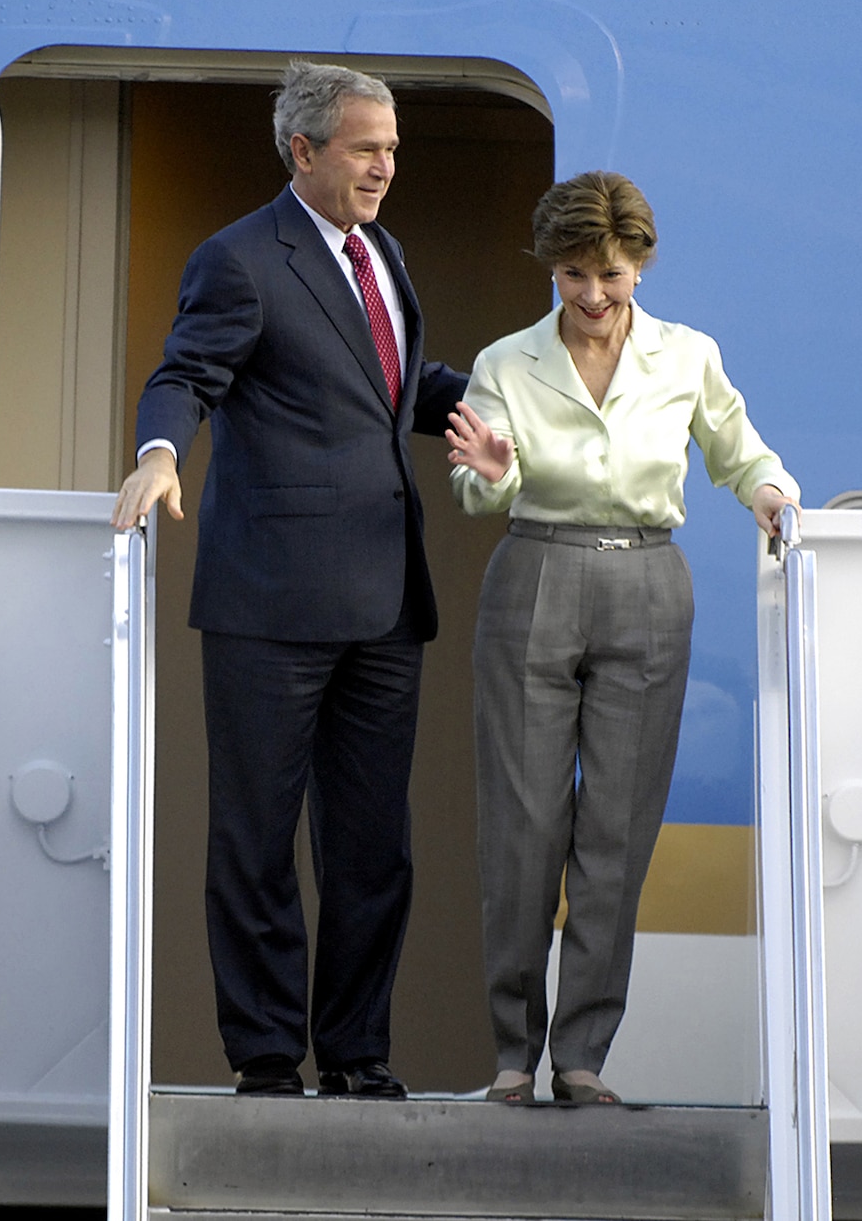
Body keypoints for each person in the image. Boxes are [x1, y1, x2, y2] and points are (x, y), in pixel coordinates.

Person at [111, 61, 466, 1098]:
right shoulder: (238, 259)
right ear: (302, 150)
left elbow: (392, 390)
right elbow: (183, 377)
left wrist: (486, 407)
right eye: (364, 148)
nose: (384, 168)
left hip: (384, 598)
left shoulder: (382, 253)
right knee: (256, 841)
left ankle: (356, 1053)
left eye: (391, 149)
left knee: (372, 849)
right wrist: (160, 455)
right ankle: (266, 1055)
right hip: (268, 600)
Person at [444, 171, 799, 1104]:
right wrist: (487, 472)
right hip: (535, 573)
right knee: (523, 828)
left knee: (618, 829)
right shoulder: (505, 363)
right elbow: (480, 493)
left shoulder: (687, 356)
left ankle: (583, 1056)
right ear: (549, 271)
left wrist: (771, 495)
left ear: (639, 263)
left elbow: (739, 450)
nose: (593, 296)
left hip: (649, 579)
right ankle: (513, 1057)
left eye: (609, 273)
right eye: (571, 275)